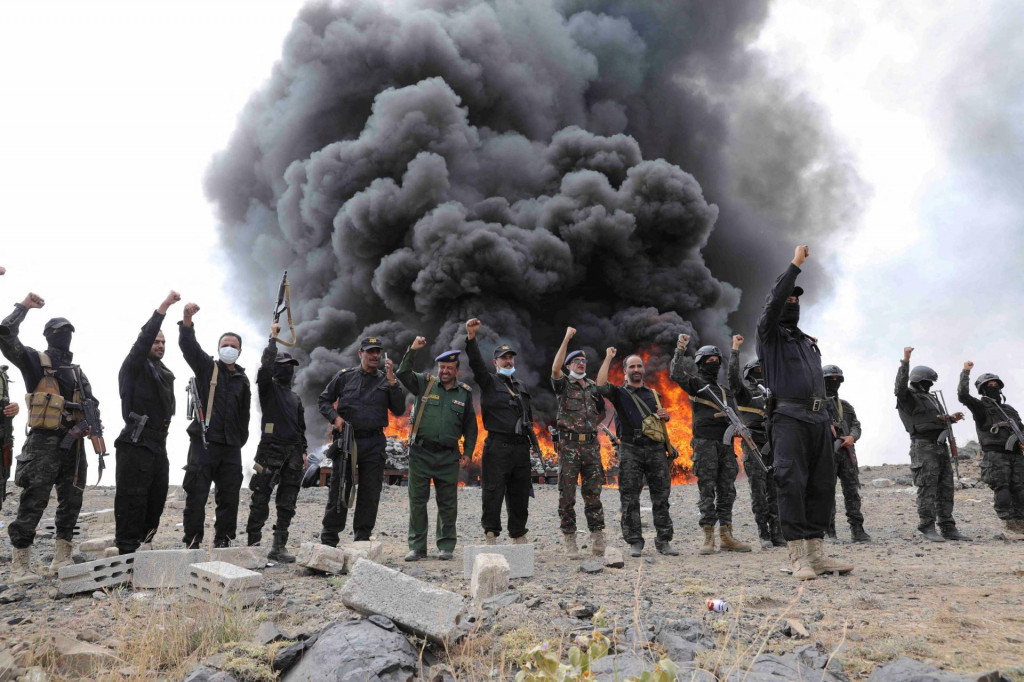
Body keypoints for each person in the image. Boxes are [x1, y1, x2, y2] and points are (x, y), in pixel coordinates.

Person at [755, 245, 852, 580]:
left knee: (821, 485)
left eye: (797, 300)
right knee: (791, 482)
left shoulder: (808, 343)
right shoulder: (770, 338)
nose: (792, 302)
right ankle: (798, 556)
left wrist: (829, 421)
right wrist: (794, 265)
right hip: (788, 420)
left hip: (818, 420)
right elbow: (772, 304)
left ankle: (817, 554)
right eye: (788, 299)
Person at [0, 292, 102, 584]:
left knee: (72, 500)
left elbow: (91, 404)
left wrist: (87, 424)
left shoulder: (77, 372)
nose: (64, 336)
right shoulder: (35, 362)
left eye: (68, 332)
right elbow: (5, 336)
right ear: (48, 336)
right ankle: (20, 563)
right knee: (34, 500)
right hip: (44, 444)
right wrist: (24, 307)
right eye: (58, 332)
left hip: (75, 446)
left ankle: (62, 556)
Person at [317, 336, 405, 545]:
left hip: (374, 442)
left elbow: (399, 409)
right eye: (370, 351)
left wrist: (393, 382)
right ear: (361, 354)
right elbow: (324, 400)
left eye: (377, 352)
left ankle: (362, 538)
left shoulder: (387, 380)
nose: (374, 355)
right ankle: (329, 538)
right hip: (347, 440)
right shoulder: (344, 377)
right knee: (339, 488)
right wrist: (335, 418)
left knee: (370, 491)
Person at [396, 337, 477, 560]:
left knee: (448, 504)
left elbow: (471, 427)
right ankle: (417, 547)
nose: (445, 371)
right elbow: (402, 373)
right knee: (418, 503)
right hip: (421, 454)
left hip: (448, 456)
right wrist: (412, 350)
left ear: (457, 371)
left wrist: (468, 453)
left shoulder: (464, 393)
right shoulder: (425, 383)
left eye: (450, 368)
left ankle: (446, 546)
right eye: (442, 367)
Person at [671, 334, 751, 554]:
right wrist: (680, 348)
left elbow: (736, 415)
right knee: (707, 490)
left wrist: (738, 428)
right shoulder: (696, 385)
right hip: (705, 444)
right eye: (709, 361)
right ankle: (708, 537)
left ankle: (727, 535)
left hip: (725, 446)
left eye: (717, 361)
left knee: (727, 490)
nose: (713, 364)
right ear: (700, 363)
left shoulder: (725, 392)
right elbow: (676, 373)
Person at [179, 302, 251, 548]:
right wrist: (187, 321)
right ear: (218, 348)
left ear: (240, 351)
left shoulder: (243, 380)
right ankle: (193, 543)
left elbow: (245, 414)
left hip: (231, 447)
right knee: (197, 495)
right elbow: (188, 347)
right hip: (204, 444)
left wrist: (240, 440)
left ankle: (223, 541)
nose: (229, 349)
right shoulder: (207, 368)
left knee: (229, 497)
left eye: (233, 346)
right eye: (225, 345)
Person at [464, 318, 542, 545]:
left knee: (519, 493)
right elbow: (476, 364)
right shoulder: (489, 382)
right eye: (503, 358)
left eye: (510, 358)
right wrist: (471, 337)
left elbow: (527, 416)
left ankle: (518, 532)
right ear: (495, 361)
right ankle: (491, 533)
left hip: (520, 448)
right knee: (493, 491)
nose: (508, 361)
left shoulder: (521, 386)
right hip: (498, 446)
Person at [113, 291, 179, 555]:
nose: (159, 345)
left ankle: (144, 545)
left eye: (163, 342)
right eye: (155, 341)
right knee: (132, 499)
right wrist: (163, 308)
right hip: (135, 442)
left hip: (157, 444)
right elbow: (142, 342)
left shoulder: (164, 373)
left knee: (157, 497)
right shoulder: (134, 365)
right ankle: (126, 552)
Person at [596, 347, 677, 557]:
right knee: (630, 497)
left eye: (639, 366)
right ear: (625, 371)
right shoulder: (619, 393)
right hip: (630, 448)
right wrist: (608, 357)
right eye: (631, 366)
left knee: (661, 496)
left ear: (644, 369)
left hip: (655, 449)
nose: (636, 369)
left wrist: (665, 416)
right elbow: (600, 385)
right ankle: (635, 542)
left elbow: (660, 424)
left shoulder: (653, 394)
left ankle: (664, 540)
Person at [245, 322, 307, 561]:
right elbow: (265, 366)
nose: (288, 370)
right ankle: (253, 546)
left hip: (292, 454)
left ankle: (279, 546)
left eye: (291, 366)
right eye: (284, 366)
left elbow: (301, 429)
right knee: (260, 497)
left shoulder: (295, 398)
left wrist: (303, 451)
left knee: (287, 502)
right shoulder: (267, 388)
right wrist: (273, 339)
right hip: (269, 451)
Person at [895, 347, 970, 542]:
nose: (929, 385)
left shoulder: (931, 398)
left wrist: (950, 419)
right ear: (919, 381)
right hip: (924, 447)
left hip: (940, 445)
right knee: (927, 487)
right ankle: (927, 526)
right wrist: (905, 361)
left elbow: (934, 419)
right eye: (927, 382)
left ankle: (947, 526)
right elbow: (899, 388)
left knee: (946, 488)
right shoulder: (907, 398)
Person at [550, 327, 607, 558]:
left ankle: (597, 535)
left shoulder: (593, 387)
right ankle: (570, 538)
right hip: (570, 447)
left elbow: (601, 413)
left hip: (591, 447)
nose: (581, 364)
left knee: (593, 493)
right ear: (568, 366)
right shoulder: (563, 385)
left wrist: (589, 425)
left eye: (583, 361)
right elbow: (554, 368)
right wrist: (566, 338)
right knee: (567, 494)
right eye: (576, 361)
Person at [728, 335, 784, 549]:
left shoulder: (773, 393)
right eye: (757, 370)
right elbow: (733, 379)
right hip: (753, 444)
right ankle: (764, 533)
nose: (761, 374)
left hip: (774, 444)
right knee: (758, 490)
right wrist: (735, 350)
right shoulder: (744, 394)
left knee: (775, 490)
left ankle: (777, 532)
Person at [958, 361, 1024, 541]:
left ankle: (1021, 523)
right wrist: (966, 372)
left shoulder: (1009, 409)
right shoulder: (981, 407)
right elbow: (963, 395)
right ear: (983, 389)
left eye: (996, 385)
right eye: (989, 385)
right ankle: (1009, 524)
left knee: (1020, 489)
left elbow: (1021, 428)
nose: (993, 387)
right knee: (1002, 488)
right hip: (995, 456)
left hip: (1016, 455)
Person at [822, 364, 871, 543]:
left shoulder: (846, 406)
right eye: (829, 380)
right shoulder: (818, 406)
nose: (833, 383)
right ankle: (829, 531)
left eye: (836, 380)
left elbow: (856, 425)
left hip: (846, 453)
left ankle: (857, 529)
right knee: (826, 493)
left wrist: (852, 437)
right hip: (826, 453)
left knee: (852, 491)